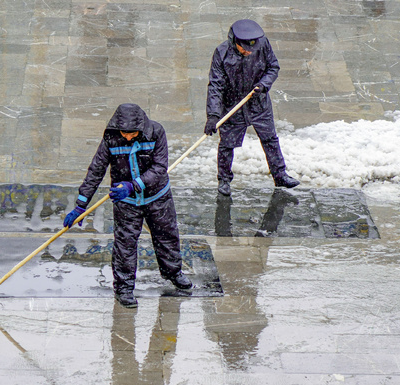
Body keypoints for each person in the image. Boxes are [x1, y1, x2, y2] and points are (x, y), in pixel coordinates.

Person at [63, 103, 192, 308]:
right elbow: (96, 170)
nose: (128, 137)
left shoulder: (156, 133)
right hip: (126, 203)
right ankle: (123, 288)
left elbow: (159, 168)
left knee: (166, 236)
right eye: (125, 133)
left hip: (157, 197)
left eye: (132, 133)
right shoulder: (111, 138)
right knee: (125, 245)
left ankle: (173, 273)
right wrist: (80, 205)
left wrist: (133, 186)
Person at [205, 19, 300, 196]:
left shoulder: (262, 45)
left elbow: (273, 67)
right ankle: (224, 179)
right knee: (227, 144)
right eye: (245, 48)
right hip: (232, 107)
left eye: (252, 48)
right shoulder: (222, 53)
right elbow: (215, 85)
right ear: (234, 41)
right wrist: (213, 115)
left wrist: (263, 85)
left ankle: (280, 175)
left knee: (270, 139)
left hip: (259, 104)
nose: (249, 51)